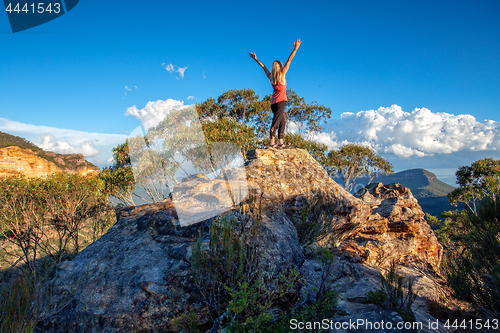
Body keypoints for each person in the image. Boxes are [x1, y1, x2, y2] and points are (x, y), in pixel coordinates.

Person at [250, 38, 301, 148]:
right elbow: (289, 60)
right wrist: (295, 48)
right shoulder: (282, 75)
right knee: (276, 123)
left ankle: (280, 142)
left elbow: (264, 68)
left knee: (282, 121)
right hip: (280, 102)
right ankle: (272, 143)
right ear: (280, 67)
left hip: (274, 103)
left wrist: (256, 60)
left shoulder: (271, 77)